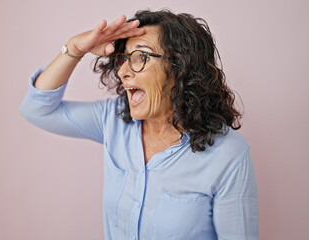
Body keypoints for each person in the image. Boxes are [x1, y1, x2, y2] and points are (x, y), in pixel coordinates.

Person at [20, 9, 259, 240]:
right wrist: (74, 49)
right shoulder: (114, 120)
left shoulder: (229, 154)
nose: (123, 71)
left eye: (140, 57)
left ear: (180, 68)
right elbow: (37, 109)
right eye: (124, 59)